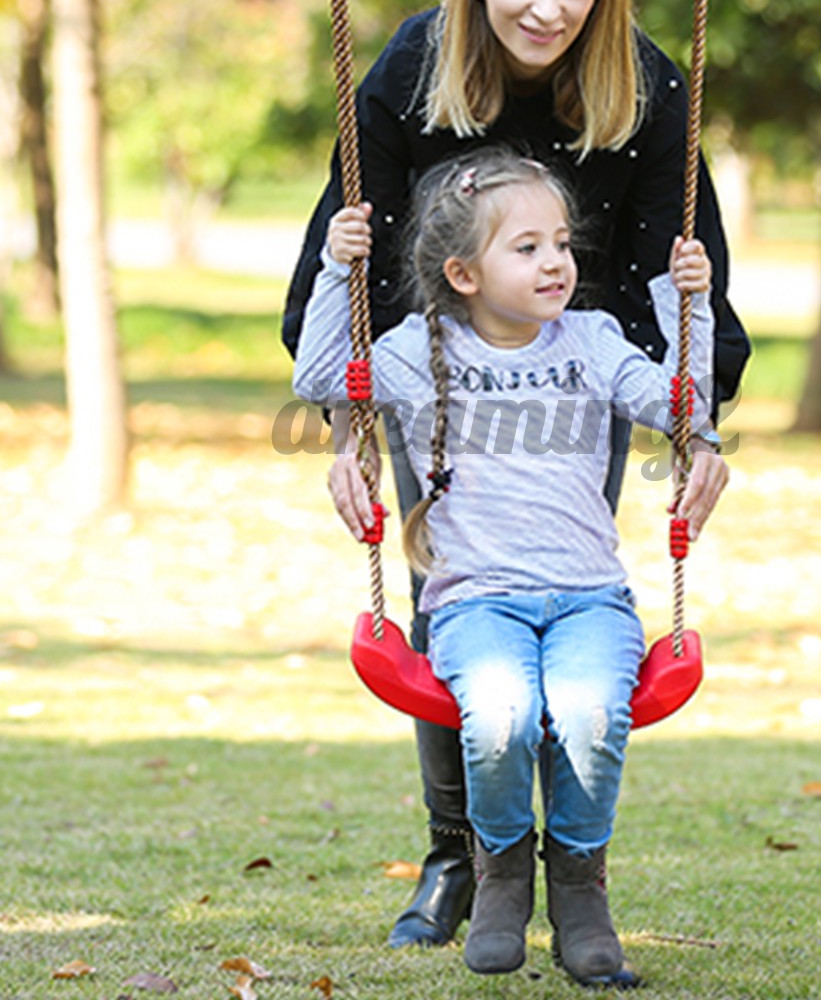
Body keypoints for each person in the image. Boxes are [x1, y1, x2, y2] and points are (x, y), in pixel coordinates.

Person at [280, 0, 751, 949]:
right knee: (459, 590)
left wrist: (695, 427)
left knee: (562, 578)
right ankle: (464, 859)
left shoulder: (645, 87)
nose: (548, 8)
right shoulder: (413, 67)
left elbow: (679, 270)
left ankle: (572, 867)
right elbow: (348, 256)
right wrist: (347, 431)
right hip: (432, 370)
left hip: (583, 373)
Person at [293, 149, 716, 984]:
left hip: (591, 599)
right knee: (500, 714)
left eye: (560, 243)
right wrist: (330, 271)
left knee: (591, 715)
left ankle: (581, 891)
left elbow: (681, 407)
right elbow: (318, 378)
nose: (555, 261)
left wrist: (686, 304)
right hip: (475, 604)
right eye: (526, 248)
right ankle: (500, 878)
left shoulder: (592, 340)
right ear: (463, 272)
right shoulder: (418, 352)